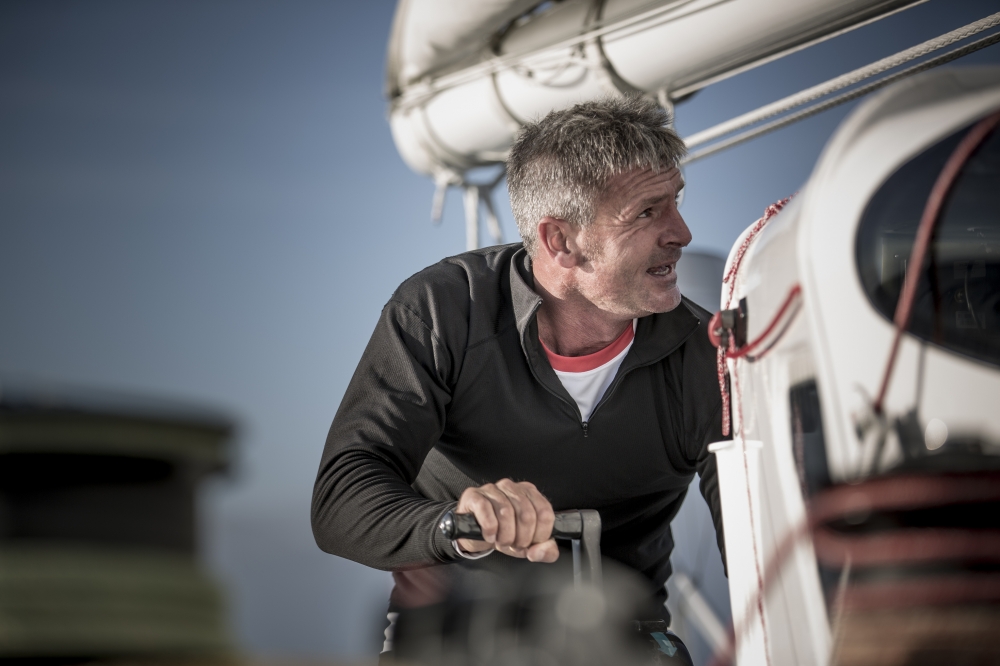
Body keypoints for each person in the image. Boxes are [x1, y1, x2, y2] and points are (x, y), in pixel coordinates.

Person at [311, 94, 726, 652]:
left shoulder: (706, 356)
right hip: (453, 642)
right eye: (647, 212)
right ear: (561, 241)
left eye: (675, 202)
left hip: (626, 644)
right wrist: (458, 525)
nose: (682, 232)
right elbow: (340, 503)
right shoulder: (442, 311)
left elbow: (761, 533)